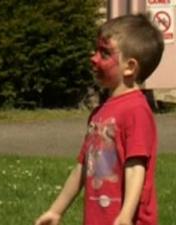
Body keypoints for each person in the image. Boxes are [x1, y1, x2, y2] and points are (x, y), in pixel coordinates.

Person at [34, 14, 164, 225]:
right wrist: (56, 211)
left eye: (104, 53)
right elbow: (85, 166)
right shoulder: (99, 113)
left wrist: (125, 216)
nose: (93, 58)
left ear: (130, 67)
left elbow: (136, 167)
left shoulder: (136, 110)